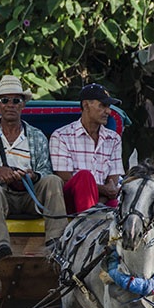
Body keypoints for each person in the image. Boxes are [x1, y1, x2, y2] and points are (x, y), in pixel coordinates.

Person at [0, 74, 67, 263]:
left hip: (31, 196)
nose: (10, 104)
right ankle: (0, 250)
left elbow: (46, 169)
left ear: (23, 105)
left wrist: (32, 175)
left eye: (16, 100)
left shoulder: (36, 136)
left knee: (53, 180)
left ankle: (57, 242)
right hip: (2, 197)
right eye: (5, 100)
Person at [50, 83, 124, 213]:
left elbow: (113, 180)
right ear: (85, 105)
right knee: (84, 176)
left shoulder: (114, 139)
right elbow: (65, 179)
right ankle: (89, 220)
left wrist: (104, 194)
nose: (108, 111)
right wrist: (102, 189)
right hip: (71, 201)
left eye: (108, 107)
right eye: (102, 105)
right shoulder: (61, 136)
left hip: (103, 200)